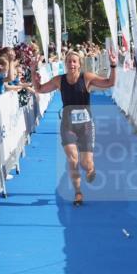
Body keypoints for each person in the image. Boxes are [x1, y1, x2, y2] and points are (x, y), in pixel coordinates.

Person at [32, 48, 118, 207]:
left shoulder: (87, 78)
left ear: (79, 64)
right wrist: (33, 73)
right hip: (68, 125)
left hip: (85, 126)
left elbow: (110, 83)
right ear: (65, 64)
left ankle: (91, 169)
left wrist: (113, 66)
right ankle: (78, 192)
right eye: (68, 61)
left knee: (86, 163)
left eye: (74, 61)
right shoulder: (59, 80)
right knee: (72, 159)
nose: (71, 64)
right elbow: (39, 89)